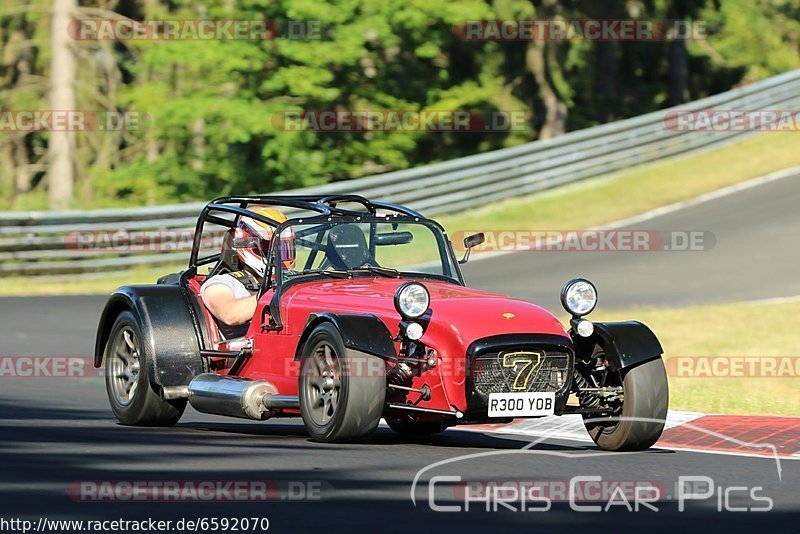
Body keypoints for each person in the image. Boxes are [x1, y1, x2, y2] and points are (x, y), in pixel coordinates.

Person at [200, 207, 294, 339]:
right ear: (249, 245)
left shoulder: (291, 280)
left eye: (283, 248)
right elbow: (230, 314)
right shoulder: (219, 284)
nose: (278, 256)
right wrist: (280, 296)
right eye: (270, 248)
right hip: (247, 355)